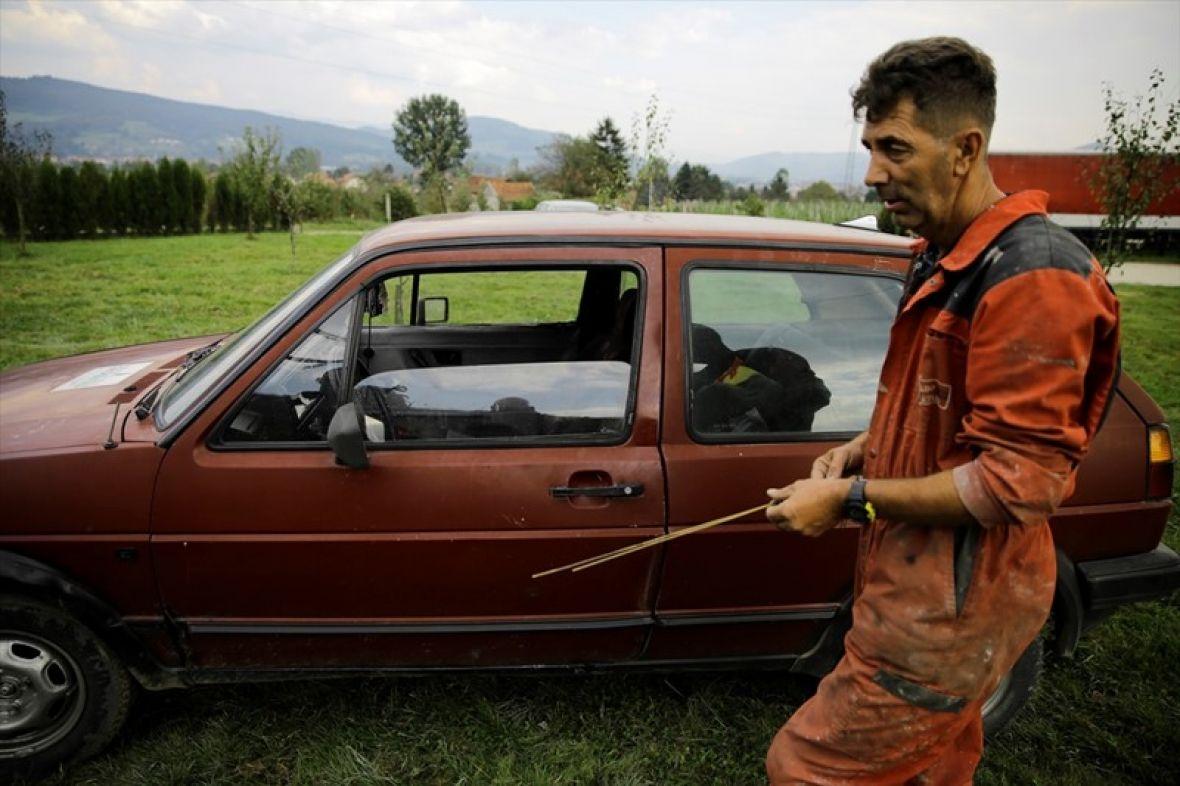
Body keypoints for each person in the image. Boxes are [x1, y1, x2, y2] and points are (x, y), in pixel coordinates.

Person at [763, 37, 1120, 784]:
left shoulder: (1033, 279)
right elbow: (939, 407)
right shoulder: (943, 253)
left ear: (965, 148)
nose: (872, 174)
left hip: (954, 610)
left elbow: (1015, 482)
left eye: (894, 148)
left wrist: (851, 500)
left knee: (803, 767)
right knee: (935, 766)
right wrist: (865, 447)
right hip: (924, 587)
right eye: (868, 147)